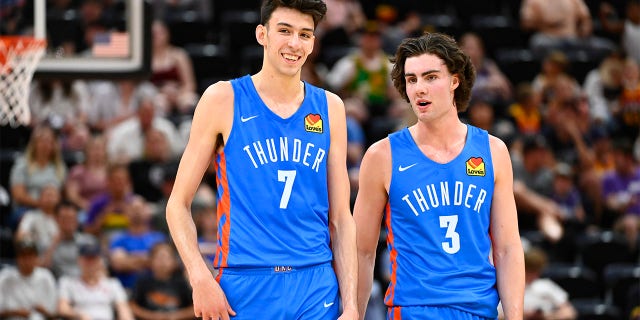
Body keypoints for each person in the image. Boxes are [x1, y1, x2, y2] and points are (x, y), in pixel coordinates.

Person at [165, 0, 358, 319]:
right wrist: (199, 278)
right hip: (244, 282)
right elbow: (177, 205)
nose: (294, 43)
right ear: (261, 34)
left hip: (314, 284)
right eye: (284, 31)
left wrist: (350, 304)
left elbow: (341, 217)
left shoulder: (330, 107)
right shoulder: (222, 99)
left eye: (305, 34)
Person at [354, 32, 524, 319]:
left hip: (478, 309)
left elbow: (507, 249)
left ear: (455, 80)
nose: (420, 88)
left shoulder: (493, 151)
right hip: (414, 310)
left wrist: (515, 316)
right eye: (412, 79)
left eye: (431, 77)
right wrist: (352, 312)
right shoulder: (382, 156)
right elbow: (361, 251)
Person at [57, 241, 134, 320]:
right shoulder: (67, 282)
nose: (90, 263)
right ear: (79, 260)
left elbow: (123, 309)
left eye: (94, 259)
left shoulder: (112, 284)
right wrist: (78, 315)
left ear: (100, 261)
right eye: (87, 259)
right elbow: (62, 308)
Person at [0, 240, 58, 320]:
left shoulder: (46, 277)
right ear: (17, 258)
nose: (27, 260)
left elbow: (54, 315)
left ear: (36, 258)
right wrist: (15, 312)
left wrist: (44, 312)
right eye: (23, 256)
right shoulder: (5, 277)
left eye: (30, 256)